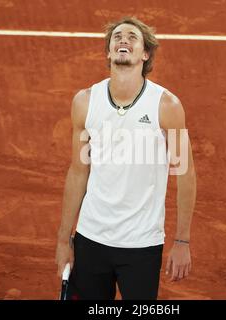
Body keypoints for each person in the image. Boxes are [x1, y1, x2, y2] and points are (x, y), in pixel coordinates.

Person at [55, 16, 197, 300]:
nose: (123, 40)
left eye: (133, 37)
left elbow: (185, 174)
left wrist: (182, 240)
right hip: (90, 238)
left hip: (142, 245)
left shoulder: (166, 106)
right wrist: (64, 239)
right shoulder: (85, 102)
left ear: (145, 54)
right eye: (117, 36)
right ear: (108, 51)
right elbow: (78, 172)